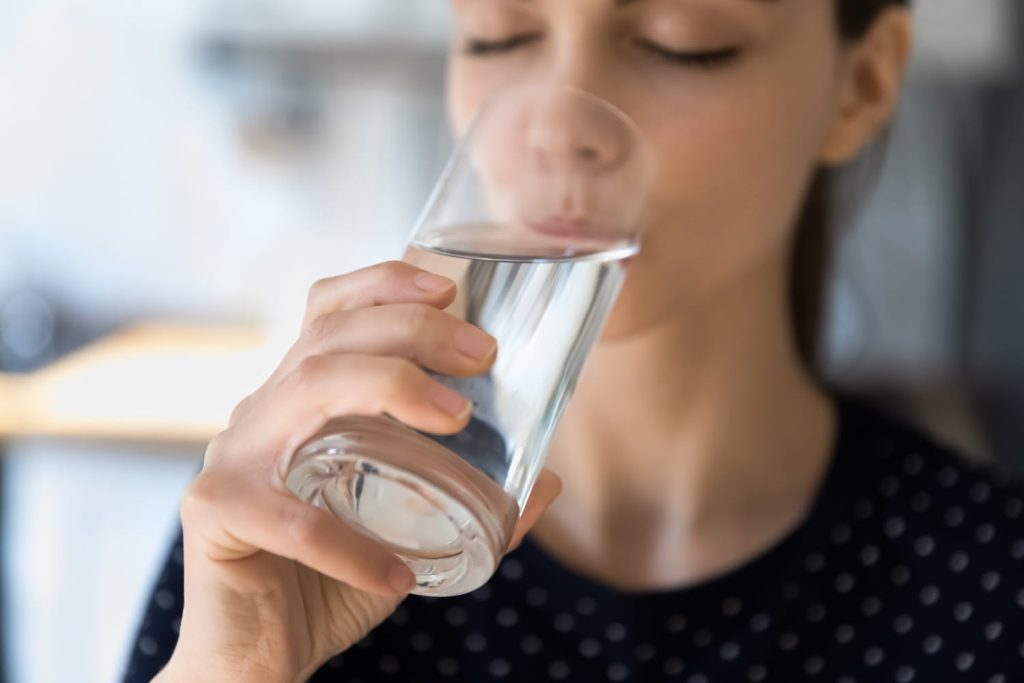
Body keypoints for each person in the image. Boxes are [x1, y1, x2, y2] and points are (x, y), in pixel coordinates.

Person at [125, 1, 1024, 681]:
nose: (556, 122)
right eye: (500, 35)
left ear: (861, 83)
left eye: (682, 41)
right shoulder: (293, 533)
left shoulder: (988, 590)